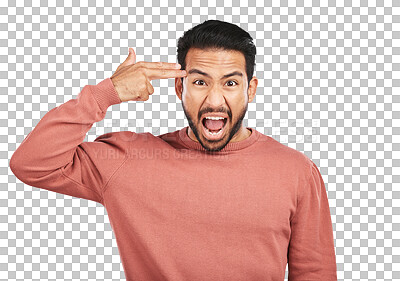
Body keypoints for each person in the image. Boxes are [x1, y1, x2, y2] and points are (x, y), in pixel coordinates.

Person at [10, 20, 337, 280]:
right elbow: (32, 163)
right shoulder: (129, 159)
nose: (214, 99)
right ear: (179, 87)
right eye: (199, 82)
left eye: (231, 83)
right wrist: (104, 95)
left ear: (250, 89)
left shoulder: (296, 171)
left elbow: (315, 274)